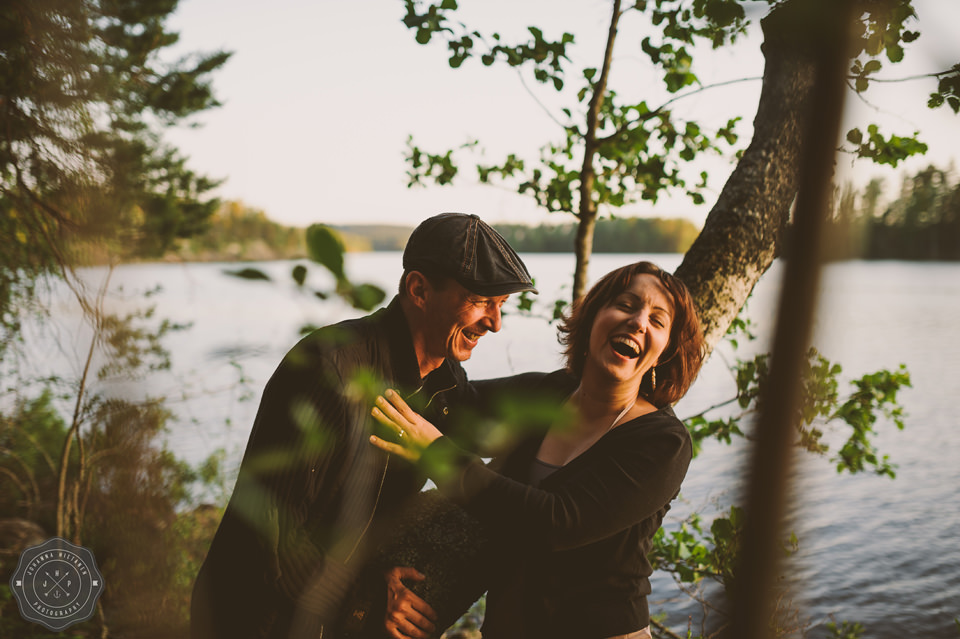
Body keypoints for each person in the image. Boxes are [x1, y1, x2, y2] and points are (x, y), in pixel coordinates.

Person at [190, 213, 537, 639]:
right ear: (419, 290)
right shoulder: (330, 370)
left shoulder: (442, 382)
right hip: (254, 619)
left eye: (501, 306)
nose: (495, 322)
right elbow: (273, 536)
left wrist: (598, 379)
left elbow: (495, 407)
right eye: (482, 301)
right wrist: (367, 593)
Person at [370, 261, 705, 639]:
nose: (639, 322)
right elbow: (455, 406)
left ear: (663, 353)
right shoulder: (549, 393)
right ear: (594, 315)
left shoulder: (662, 442)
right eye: (627, 305)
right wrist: (439, 323)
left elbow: (553, 523)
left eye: (657, 321)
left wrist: (437, 455)